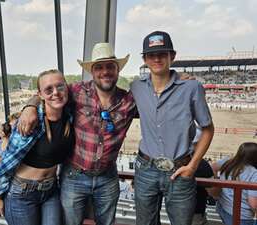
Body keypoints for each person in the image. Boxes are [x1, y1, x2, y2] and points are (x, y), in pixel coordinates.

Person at [19, 43, 137, 225]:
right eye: (99, 67)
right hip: (74, 176)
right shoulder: (76, 91)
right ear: (92, 71)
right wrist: (30, 105)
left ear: (117, 70)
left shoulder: (129, 100)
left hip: (107, 177)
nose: (105, 71)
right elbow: (48, 92)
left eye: (110, 66)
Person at [130, 31, 214, 225]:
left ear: (172, 56)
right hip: (145, 168)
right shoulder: (136, 87)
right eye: (151, 55)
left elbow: (208, 129)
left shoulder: (192, 88)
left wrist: (192, 166)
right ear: (145, 59)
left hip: (180, 169)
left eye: (163, 54)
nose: (157, 59)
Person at [0, 69, 75, 225]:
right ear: (40, 94)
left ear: (66, 88)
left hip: (51, 190)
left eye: (60, 86)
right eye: (48, 89)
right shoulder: (31, 122)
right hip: (21, 193)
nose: (56, 92)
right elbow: (8, 160)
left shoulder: (69, 115)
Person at [211, 142, 257, 225]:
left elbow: (212, 167)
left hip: (222, 207)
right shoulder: (254, 173)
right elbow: (253, 203)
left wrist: (217, 182)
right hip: (241, 215)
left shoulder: (228, 161)